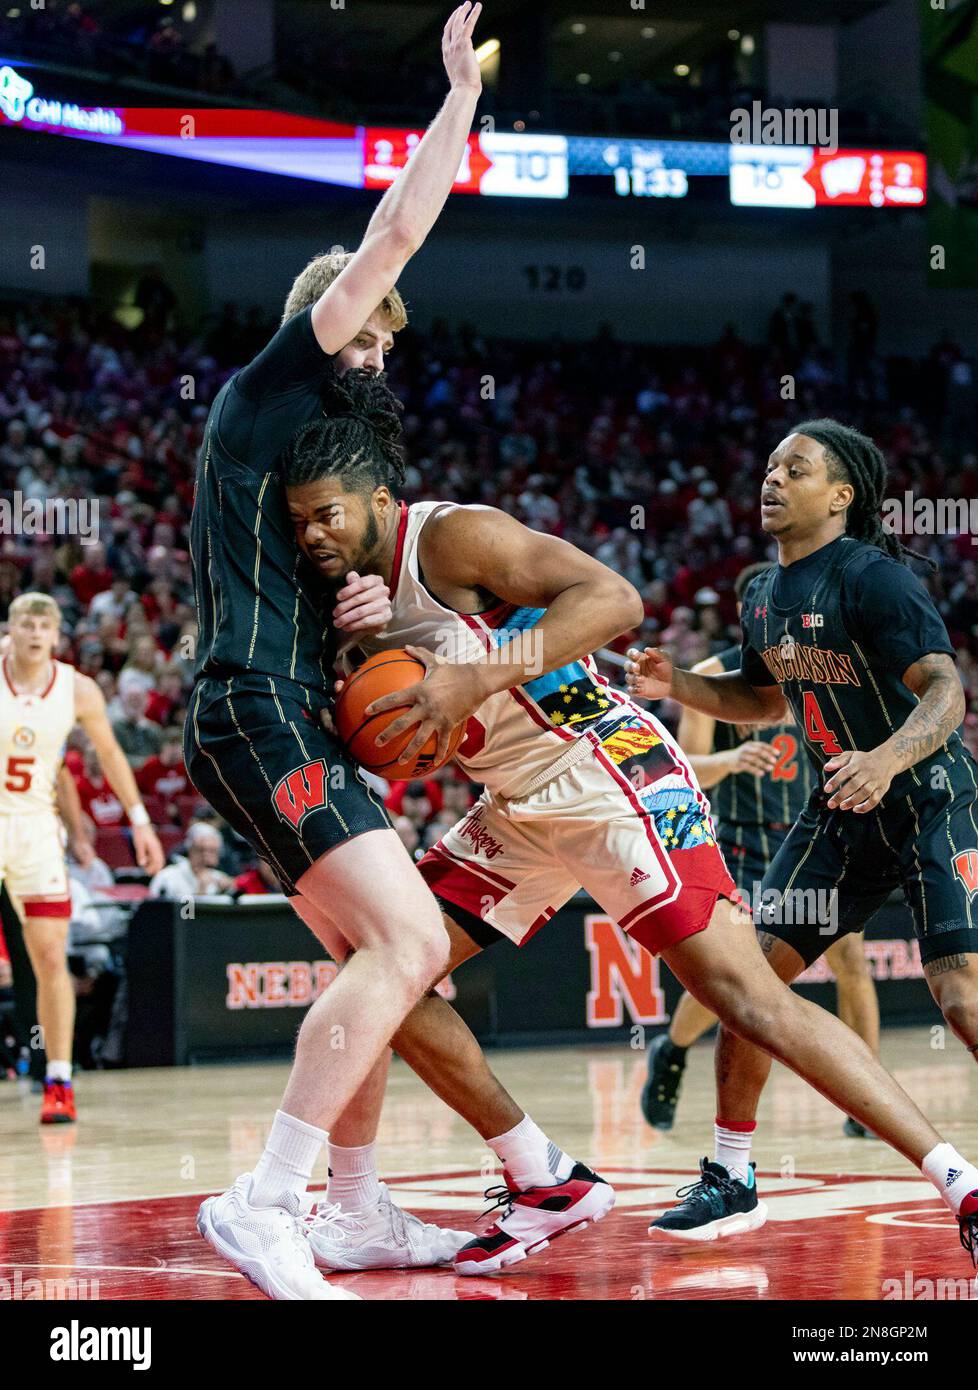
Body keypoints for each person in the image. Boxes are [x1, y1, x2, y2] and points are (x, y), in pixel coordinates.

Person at [282, 396, 978, 1277]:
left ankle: (958, 1182)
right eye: (299, 519)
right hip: (516, 806)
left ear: (380, 500)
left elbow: (615, 600)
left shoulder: (450, 537)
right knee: (382, 973)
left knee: (750, 996)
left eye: (327, 513)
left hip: (610, 772)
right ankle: (544, 1177)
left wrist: (472, 680)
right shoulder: (345, 595)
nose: (311, 533)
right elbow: (759, 696)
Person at [185, 3, 487, 1301]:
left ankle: (355, 1208)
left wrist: (362, 613)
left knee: (379, 952)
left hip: (289, 705)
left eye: (384, 346)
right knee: (412, 941)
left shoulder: (317, 480)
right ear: (325, 323)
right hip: (253, 707)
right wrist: (457, 98)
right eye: (365, 335)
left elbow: (343, 606)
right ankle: (268, 1198)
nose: (376, 357)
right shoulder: (271, 387)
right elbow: (396, 229)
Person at [627, 419, 978, 1247]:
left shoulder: (876, 580)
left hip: (925, 793)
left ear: (842, 496)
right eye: (772, 465)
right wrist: (672, 681)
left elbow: (947, 693)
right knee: (748, 987)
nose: (773, 479)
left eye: (798, 468)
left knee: (958, 995)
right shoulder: (760, 590)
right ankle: (733, 1174)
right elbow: (760, 699)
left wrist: (888, 759)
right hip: (838, 814)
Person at [642, 561, 880, 1138]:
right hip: (742, 838)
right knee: (740, 976)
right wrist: (727, 760)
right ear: (754, 620)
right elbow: (681, 765)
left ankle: (865, 1099)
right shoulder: (712, 675)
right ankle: (672, 1049)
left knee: (851, 961)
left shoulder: (825, 672)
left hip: (814, 832)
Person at [0, 593, 164, 1123]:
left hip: (34, 831)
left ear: (55, 636)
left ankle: (59, 1080)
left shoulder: (77, 688)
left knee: (50, 958)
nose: (32, 633)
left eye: (43, 626)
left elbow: (111, 755)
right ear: (11, 627)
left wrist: (139, 821)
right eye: (24, 623)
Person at [148, 821, 233, 899]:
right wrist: (201, 892)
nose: (206, 856)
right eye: (201, 850)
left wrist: (226, 892)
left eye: (213, 851)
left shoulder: (219, 878)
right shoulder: (167, 877)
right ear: (190, 849)